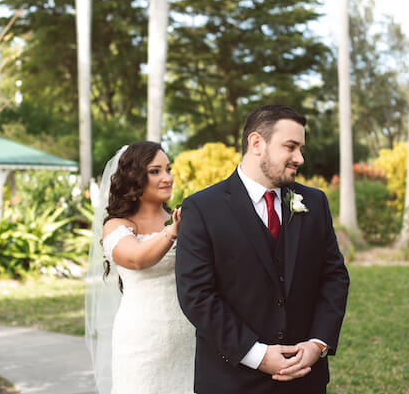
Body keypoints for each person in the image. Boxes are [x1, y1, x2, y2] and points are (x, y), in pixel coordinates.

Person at [175, 105, 349, 394]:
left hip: (304, 379)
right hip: (230, 380)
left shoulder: (315, 203)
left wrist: (318, 344)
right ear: (257, 143)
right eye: (291, 147)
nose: (300, 158)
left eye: (301, 148)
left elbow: (334, 277)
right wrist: (256, 354)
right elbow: (196, 294)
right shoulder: (203, 208)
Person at [85, 141, 195, 394]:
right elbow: (136, 258)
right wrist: (172, 232)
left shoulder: (182, 218)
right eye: (155, 171)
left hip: (188, 335)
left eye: (168, 169)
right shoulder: (118, 225)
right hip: (143, 338)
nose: (167, 178)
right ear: (134, 177)